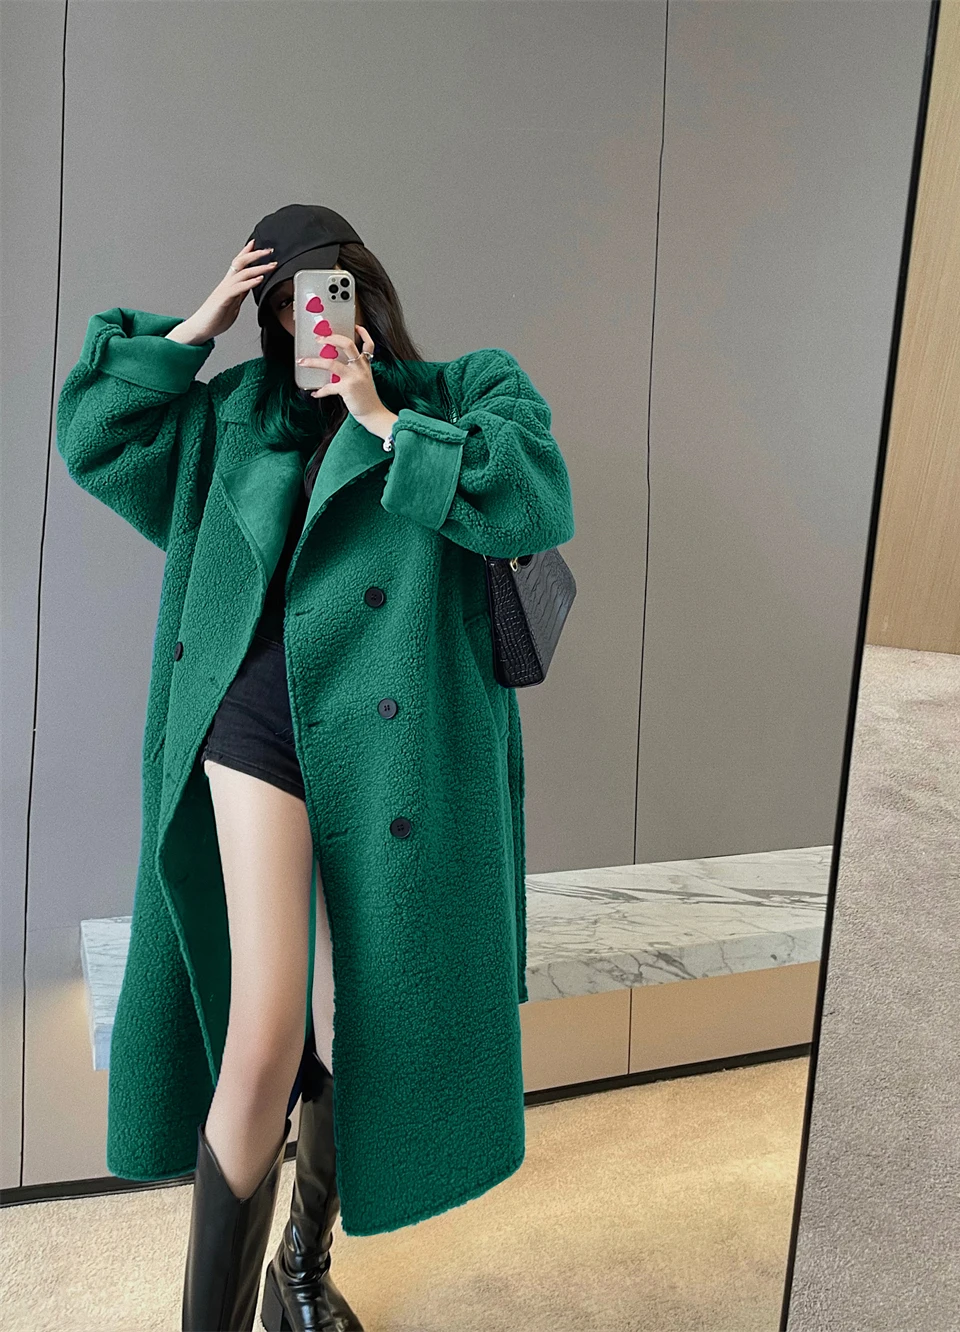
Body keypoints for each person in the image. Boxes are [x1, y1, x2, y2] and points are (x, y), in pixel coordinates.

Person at [56, 204, 575, 1331]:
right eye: (282, 299)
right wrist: (197, 325)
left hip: (394, 754)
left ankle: (300, 1270)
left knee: (359, 1023)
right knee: (267, 1031)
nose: (307, 316)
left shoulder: (459, 393)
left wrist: (385, 421)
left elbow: (536, 494)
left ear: (362, 287)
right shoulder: (232, 412)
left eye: (323, 289)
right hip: (253, 725)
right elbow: (97, 434)